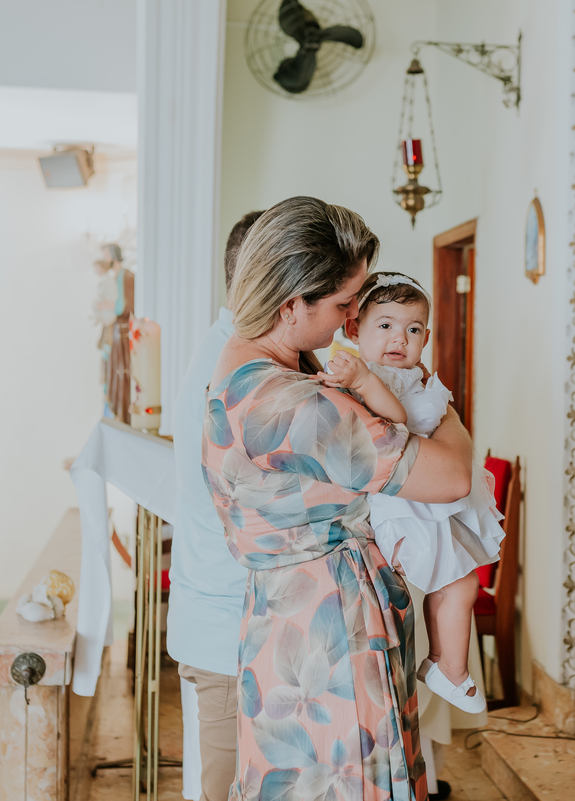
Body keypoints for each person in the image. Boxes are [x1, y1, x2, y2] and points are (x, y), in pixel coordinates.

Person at [204, 197, 473, 801]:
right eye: (343, 304)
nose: (352, 317)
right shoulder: (289, 405)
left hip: (295, 627)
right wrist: (442, 404)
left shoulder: (251, 365)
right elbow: (453, 475)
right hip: (328, 645)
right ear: (291, 303)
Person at [319, 271, 503, 714]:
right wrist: (363, 380)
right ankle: (448, 669)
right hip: (400, 507)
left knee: (457, 586)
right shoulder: (362, 375)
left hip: (422, 504)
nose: (399, 337)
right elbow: (397, 418)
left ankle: (443, 664)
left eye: (414, 329)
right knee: (457, 586)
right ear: (353, 329)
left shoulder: (404, 375)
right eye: (385, 325)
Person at [168, 209, 265, 801]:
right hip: (227, 626)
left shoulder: (233, 353)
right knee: (225, 791)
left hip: (233, 618)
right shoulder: (232, 371)